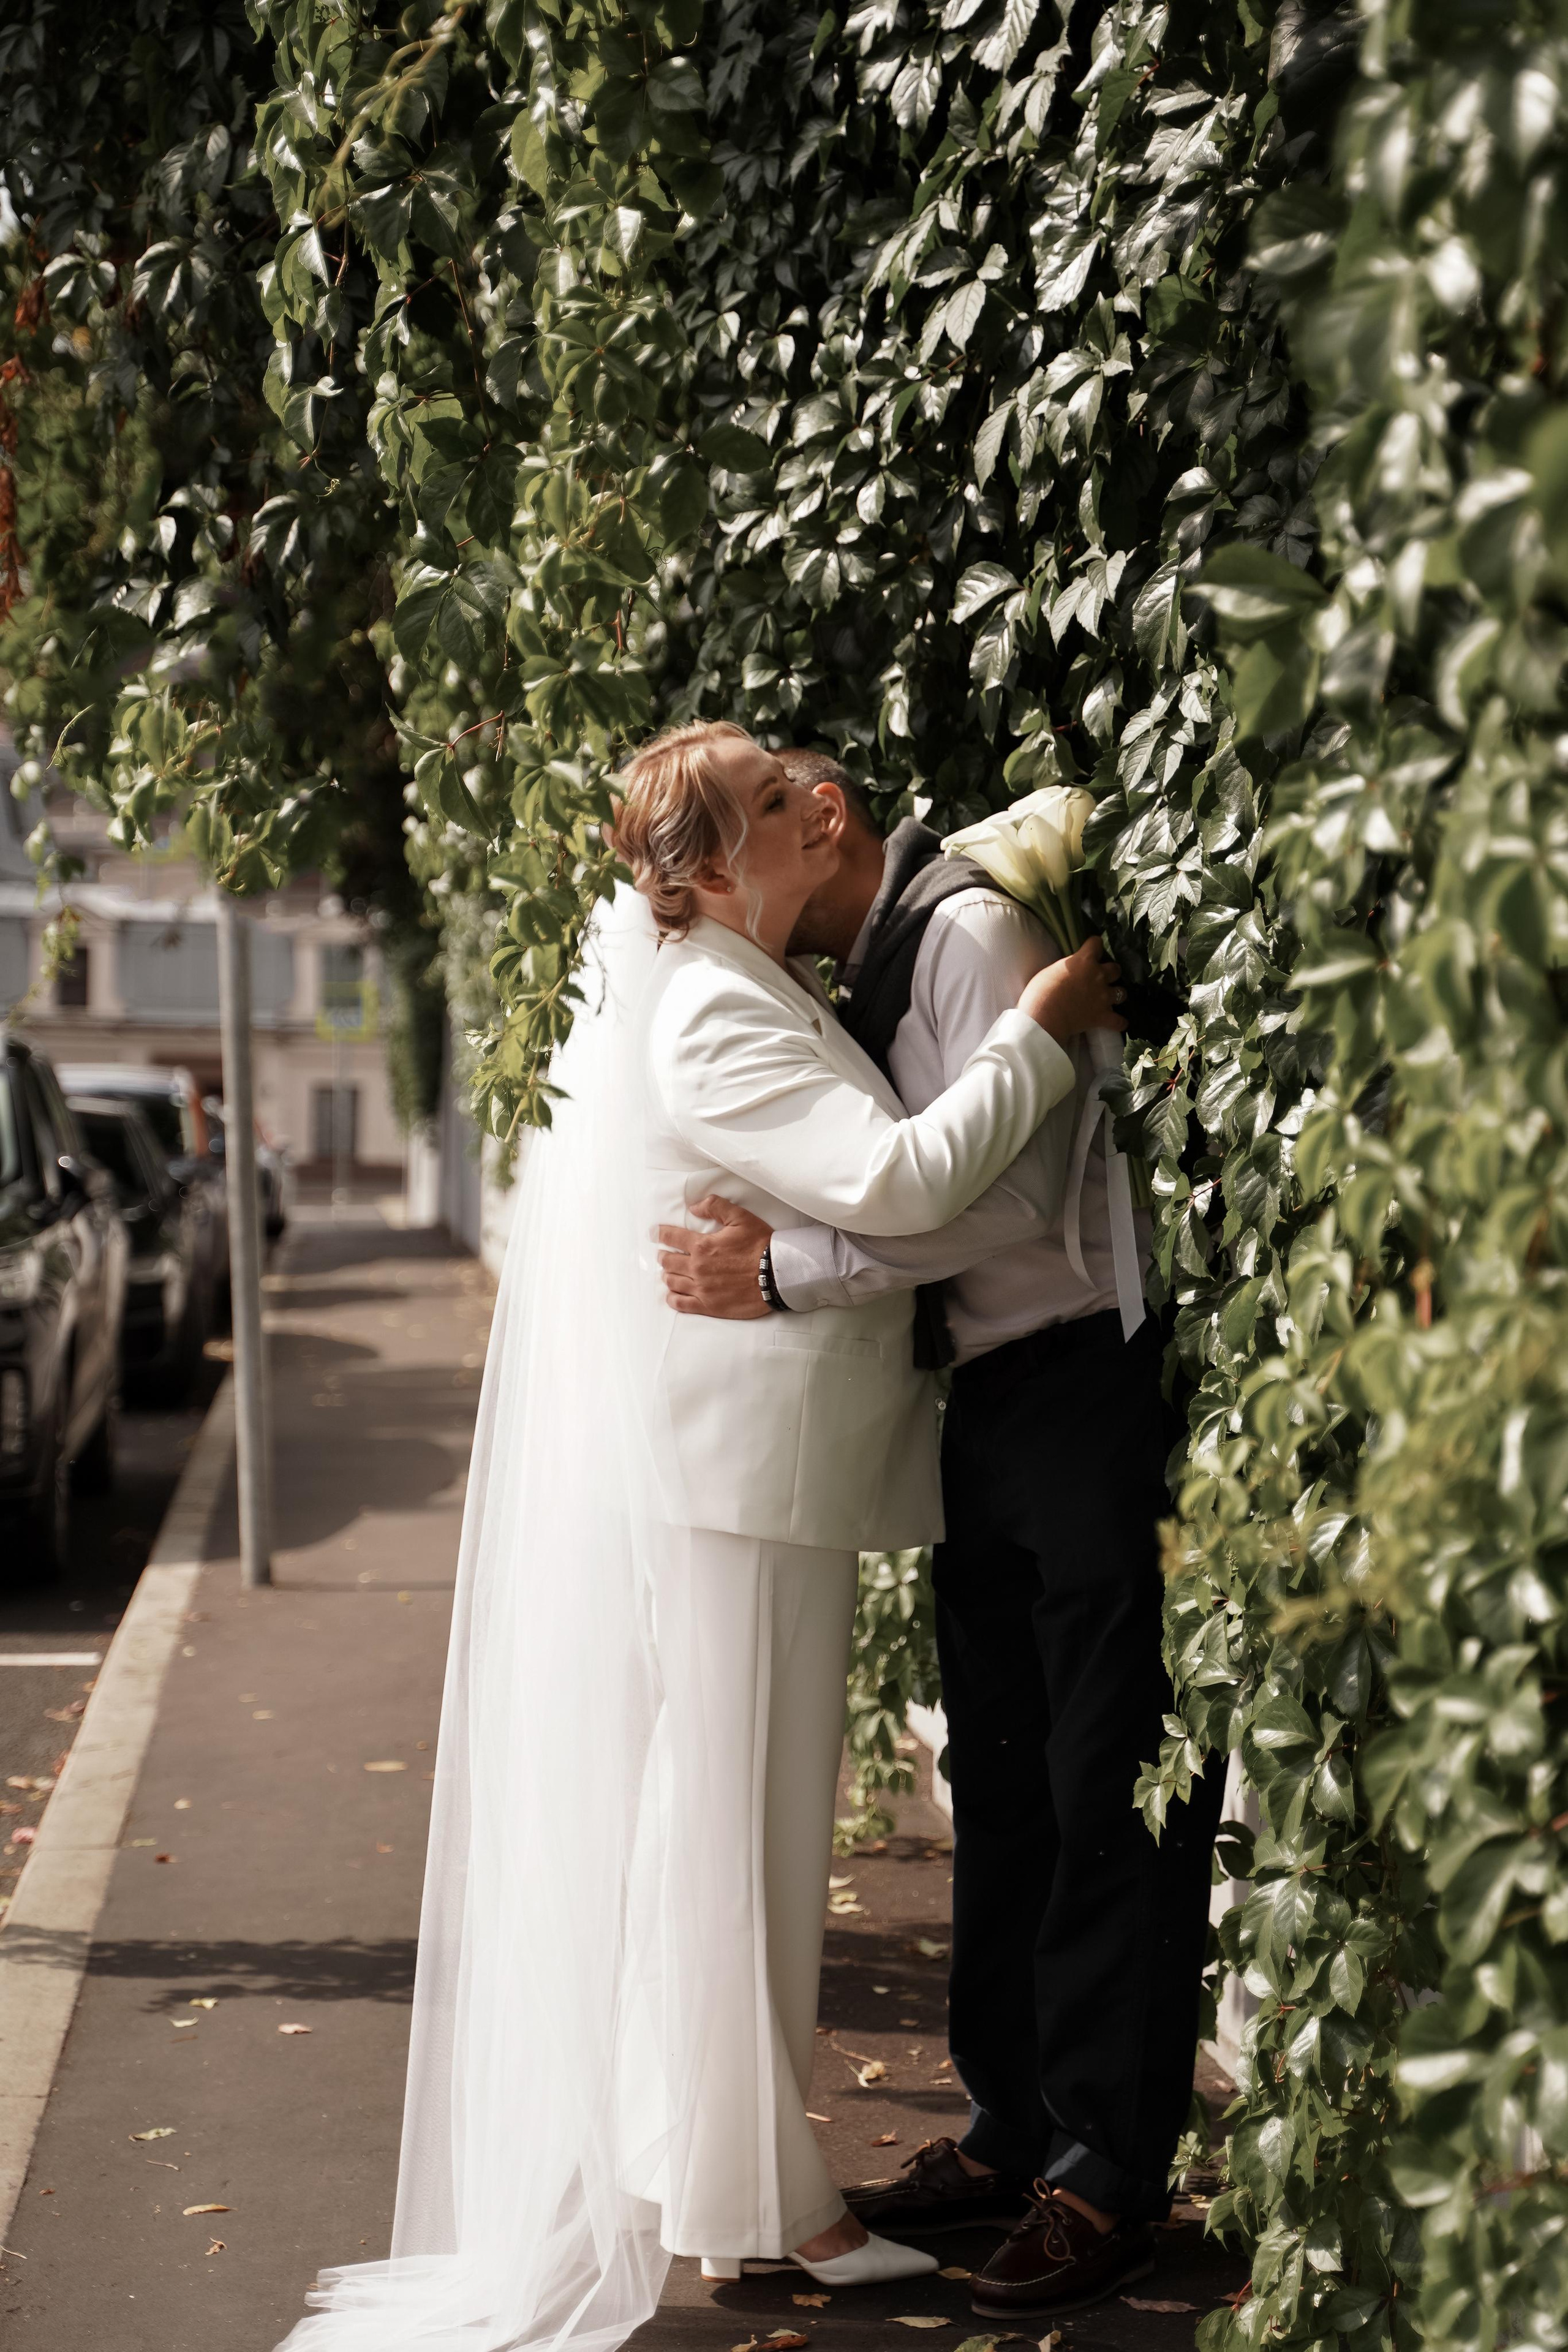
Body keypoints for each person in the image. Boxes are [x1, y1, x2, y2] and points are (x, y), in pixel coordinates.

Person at [274, 721, 1124, 2352]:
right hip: (742, 1484)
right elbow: (894, 1175)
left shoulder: (731, 981)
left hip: (750, 1476)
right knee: (738, 1838)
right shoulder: (715, 1014)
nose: (815, 802)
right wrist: (1032, 1029)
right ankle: (773, 2207)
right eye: (768, 798)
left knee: (728, 1835)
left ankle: (725, 2173)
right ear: (724, 862)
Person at [656, 750, 1225, 2325]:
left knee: (1106, 1779)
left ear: (822, 819)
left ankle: (1106, 2174)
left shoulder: (963, 935)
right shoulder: (875, 965)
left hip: (1084, 1384)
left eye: (770, 810)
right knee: (1005, 1781)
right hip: (988, 1402)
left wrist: (791, 1271)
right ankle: (1010, 2126)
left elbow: (1007, 1199)